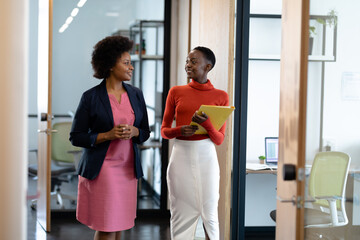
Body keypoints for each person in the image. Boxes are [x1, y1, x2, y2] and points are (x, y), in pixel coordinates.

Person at [70, 35, 150, 240]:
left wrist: (135, 132)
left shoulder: (136, 94)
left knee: (119, 225)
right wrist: (108, 135)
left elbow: (145, 132)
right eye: (126, 63)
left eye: (131, 63)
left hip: (127, 170)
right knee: (107, 226)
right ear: (110, 65)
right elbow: (76, 136)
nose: (131, 67)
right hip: (102, 169)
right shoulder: (91, 97)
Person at [161, 46, 229, 240]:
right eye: (187, 61)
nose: (188, 65)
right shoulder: (176, 92)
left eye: (193, 61)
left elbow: (219, 139)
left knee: (209, 210)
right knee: (180, 210)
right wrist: (179, 130)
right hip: (180, 154)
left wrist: (206, 123)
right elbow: (164, 132)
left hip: (206, 156)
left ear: (208, 66)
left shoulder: (221, 96)